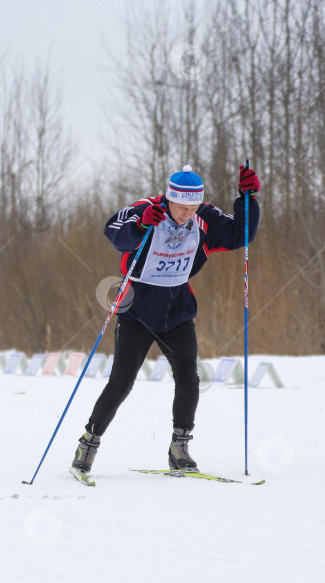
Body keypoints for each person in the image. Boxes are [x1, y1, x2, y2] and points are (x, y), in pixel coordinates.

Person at [71, 164, 260, 474]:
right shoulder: (147, 209)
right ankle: (88, 442)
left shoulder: (205, 219)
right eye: (181, 207)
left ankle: (179, 446)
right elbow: (114, 233)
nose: (186, 214)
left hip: (177, 310)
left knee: (189, 377)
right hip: (137, 311)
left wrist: (247, 198)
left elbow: (240, 235)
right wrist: (141, 226)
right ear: (169, 199)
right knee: (121, 383)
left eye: (192, 207)